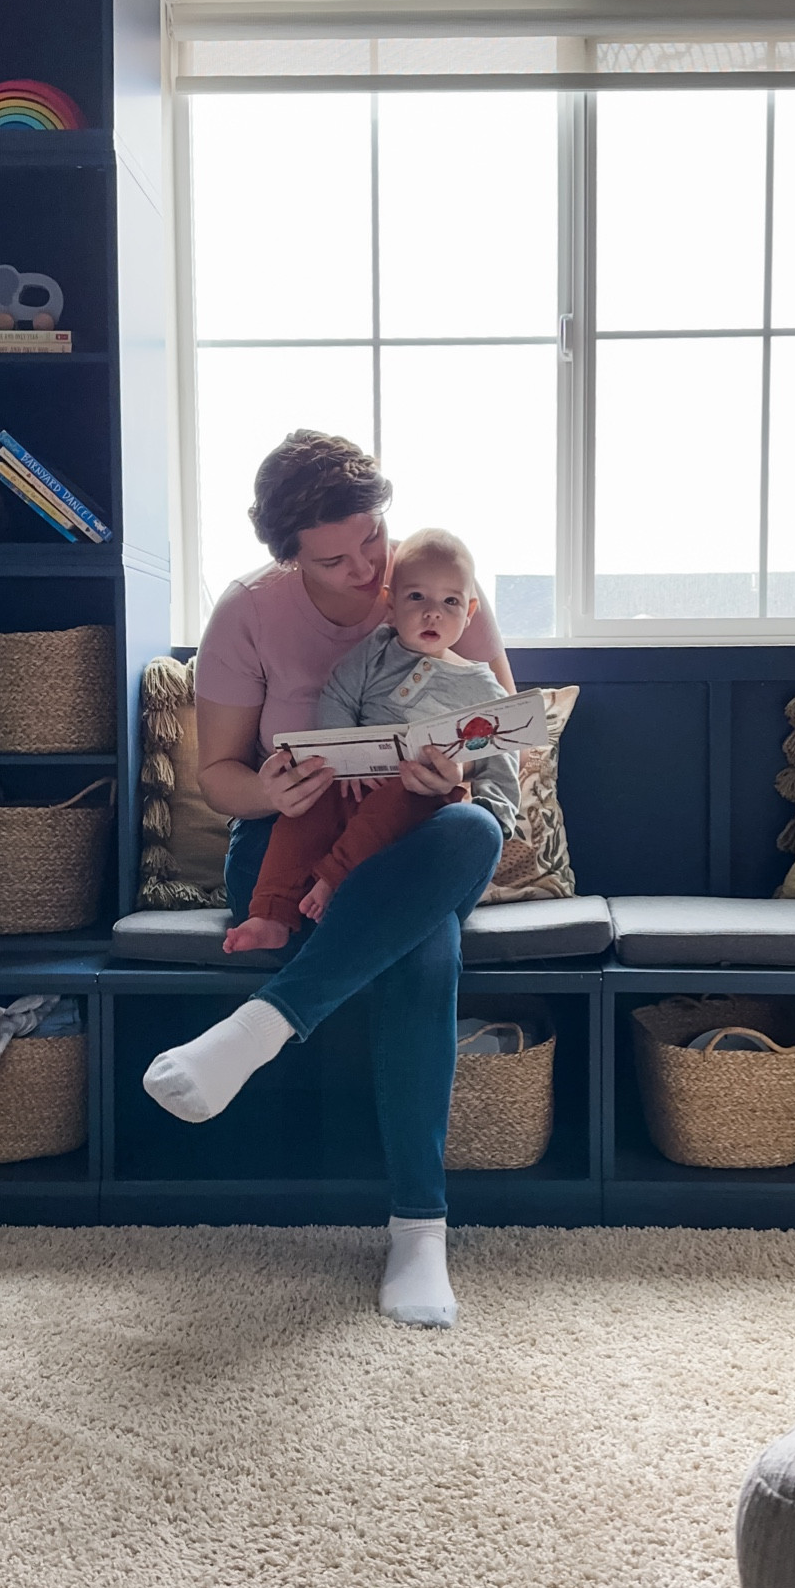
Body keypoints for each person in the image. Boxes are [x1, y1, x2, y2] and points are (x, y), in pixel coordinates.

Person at [142, 431, 514, 1329]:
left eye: (371, 542)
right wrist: (268, 784)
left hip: (422, 838)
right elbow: (217, 774)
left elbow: (505, 735)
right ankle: (420, 1227)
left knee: (463, 832)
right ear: (288, 555)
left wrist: (451, 774)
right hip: (289, 849)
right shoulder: (248, 613)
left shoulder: (442, 581)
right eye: (334, 558)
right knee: (422, 940)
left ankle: (260, 1027)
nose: (366, 572)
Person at [223, 527, 518, 955]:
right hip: (352, 783)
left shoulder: (482, 687)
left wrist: (489, 811)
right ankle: (269, 913)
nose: (433, 613)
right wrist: (341, 760)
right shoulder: (373, 654)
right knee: (302, 809)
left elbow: (501, 753)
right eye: (417, 598)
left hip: (419, 803)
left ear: (470, 612)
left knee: (406, 796)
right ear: (391, 606)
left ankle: (334, 881)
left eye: (450, 602)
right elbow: (339, 697)